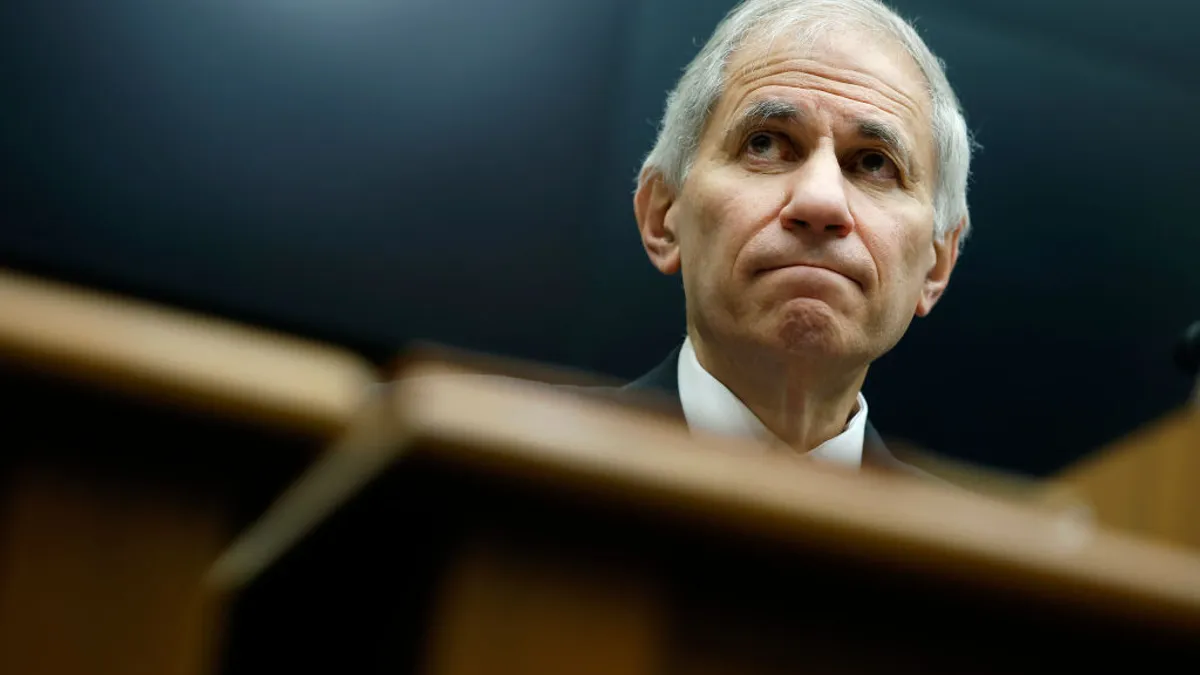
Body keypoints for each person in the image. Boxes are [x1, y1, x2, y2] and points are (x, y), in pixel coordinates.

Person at [622, 0, 973, 473]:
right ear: (664, 215)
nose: (820, 202)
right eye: (764, 144)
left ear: (937, 264)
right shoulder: (507, 475)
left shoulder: (972, 546)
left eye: (874, 163)